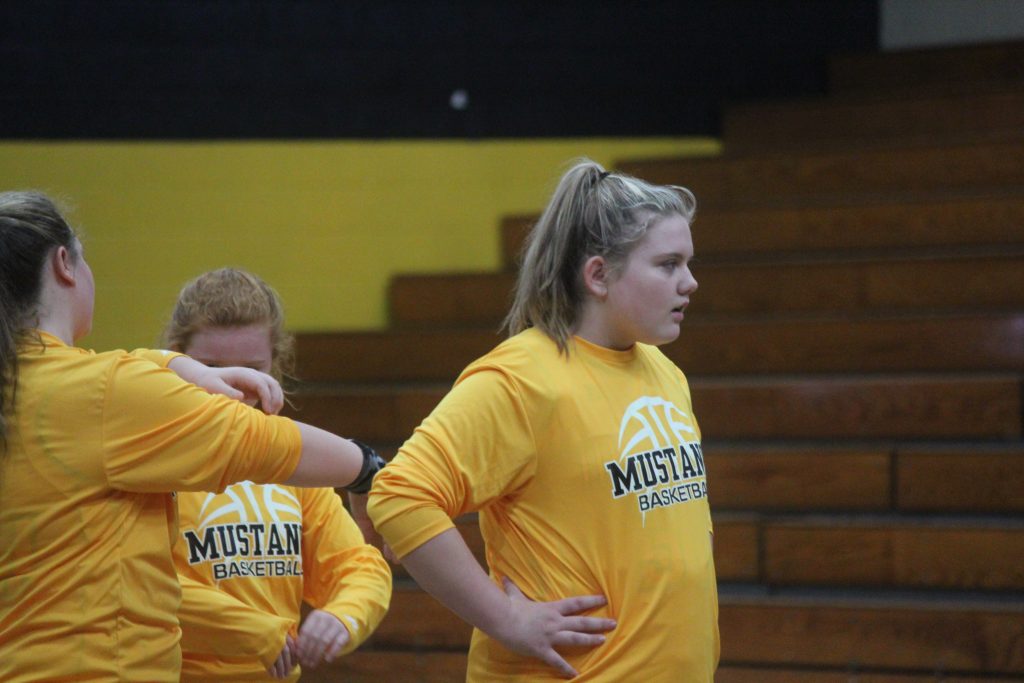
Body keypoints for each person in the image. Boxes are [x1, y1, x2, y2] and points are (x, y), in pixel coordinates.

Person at [0, 191, 384, 682]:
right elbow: (266, 443)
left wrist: (179, 368)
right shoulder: (105, 395)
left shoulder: (54, 388)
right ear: (64, 265)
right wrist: (366, 469)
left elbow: (356, 565)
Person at [368, 159, 718, 681]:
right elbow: (399, 496)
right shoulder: (521, 377)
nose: (689, 282)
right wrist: (505, 618)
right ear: (598, 275)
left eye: (688, 263)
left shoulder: (665, 373)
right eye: (668, 264)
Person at [162, 268, 391, 681]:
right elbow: (144, 583)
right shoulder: (149, 460)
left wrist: (344, 616)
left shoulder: (294, 466)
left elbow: (359, 565)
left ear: (276, 365)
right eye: (212, 367)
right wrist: (255, 631)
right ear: (178, 360)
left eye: (253, 368)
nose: (233, 388)